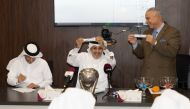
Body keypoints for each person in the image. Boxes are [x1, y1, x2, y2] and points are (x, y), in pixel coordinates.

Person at [128, 7, 181, 85]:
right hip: (146, 79)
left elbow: (172, 52)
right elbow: (141, 54)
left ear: (157, 17)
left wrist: (155, 42)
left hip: (164, 81)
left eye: (148, 18)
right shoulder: (147, 32)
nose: (146, 21)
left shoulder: (173, 32)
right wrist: (134, 44)